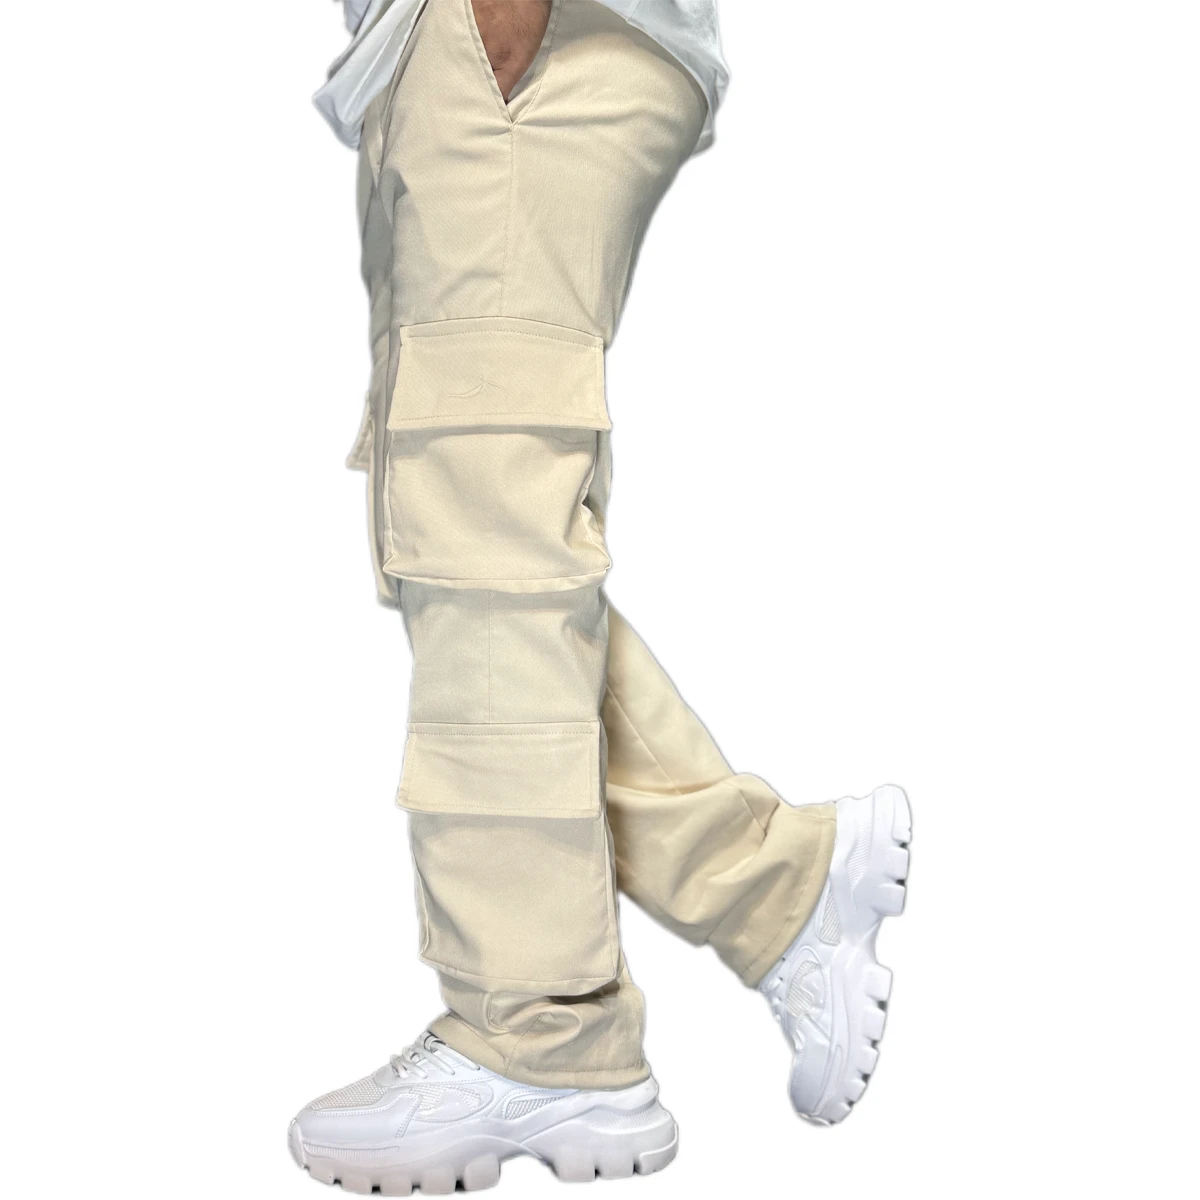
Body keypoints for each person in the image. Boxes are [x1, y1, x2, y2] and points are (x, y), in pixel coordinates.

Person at [290, 1, 912, 1191]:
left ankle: (542, 1040)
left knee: (484, 523)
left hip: (502, 51)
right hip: (443, 62)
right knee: (481, 554)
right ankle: (778, 888)